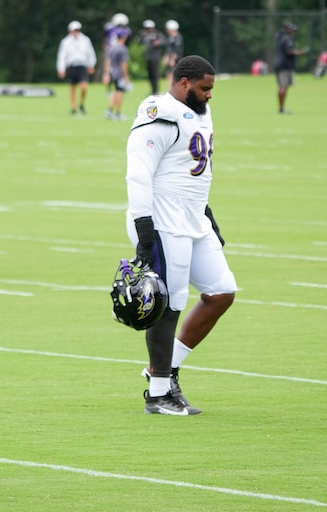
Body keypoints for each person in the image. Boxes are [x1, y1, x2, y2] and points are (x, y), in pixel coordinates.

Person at [123, 55, 236, 415]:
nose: (209, 95)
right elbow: (139, 174)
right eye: (204, 88)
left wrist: (207, 213)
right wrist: (145, 232)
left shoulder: (198, 110)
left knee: (221, 293)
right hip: (163, 220)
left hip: (192, 218)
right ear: (184, 83)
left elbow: (191, 171)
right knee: (168, 303)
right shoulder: (160, 112)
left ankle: (165, 368)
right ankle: (158, 394)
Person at [56, 20, 97, 115]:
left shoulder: (85, 40)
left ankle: (81, 103)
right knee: (72, 88)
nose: (76, 32)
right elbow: (62, 56)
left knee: (84, 87)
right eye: (74, 30)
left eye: (77, 30)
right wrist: (61, 68)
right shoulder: (65, 42)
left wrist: (91, 65)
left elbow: (90, 53)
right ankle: (73, 107)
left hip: (82, 66)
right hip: (71, 66)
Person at [274, 21, 307, 114]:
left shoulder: (279, 37)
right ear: (287, 29)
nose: (293, 32)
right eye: (292, 30)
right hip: (285, 65)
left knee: (281, 86)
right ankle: (281, 109)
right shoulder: (287, 39)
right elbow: (289, 52)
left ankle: (281, 108)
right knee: (283, 87)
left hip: (279, 64)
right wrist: (300, 52)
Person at [104, 28, 131, 121]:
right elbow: (123, 64)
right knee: (120, 92)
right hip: (119, 73)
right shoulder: (123, 48)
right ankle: (117, 113)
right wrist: (126, 76)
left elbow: (107, 60)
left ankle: (109, 110)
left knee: (116, 92)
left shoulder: (112, 47)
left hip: (112, 72)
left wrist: (106, 73)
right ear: (123, 37)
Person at [139, 20, 166, 95]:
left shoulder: (157, 34)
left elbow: (164, 41)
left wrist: (158, 43)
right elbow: (139, 41)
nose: (147, 29)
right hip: (148, 57)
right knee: (150, 75)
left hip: (155, 57)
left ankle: (156, 90)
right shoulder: (144, 34)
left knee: (155, 74)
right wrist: (142, 35)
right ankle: (153, 90)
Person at [163, 20, 183, 90]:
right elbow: (168, 48)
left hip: (175, 59)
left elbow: (176, 50)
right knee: (168, 73)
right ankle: (170, 88)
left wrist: (172, 59)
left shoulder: (178, 37)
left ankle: (174, 89)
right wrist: (166, 56)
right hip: (170, 58)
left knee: (173, 74)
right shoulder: (170, 38)